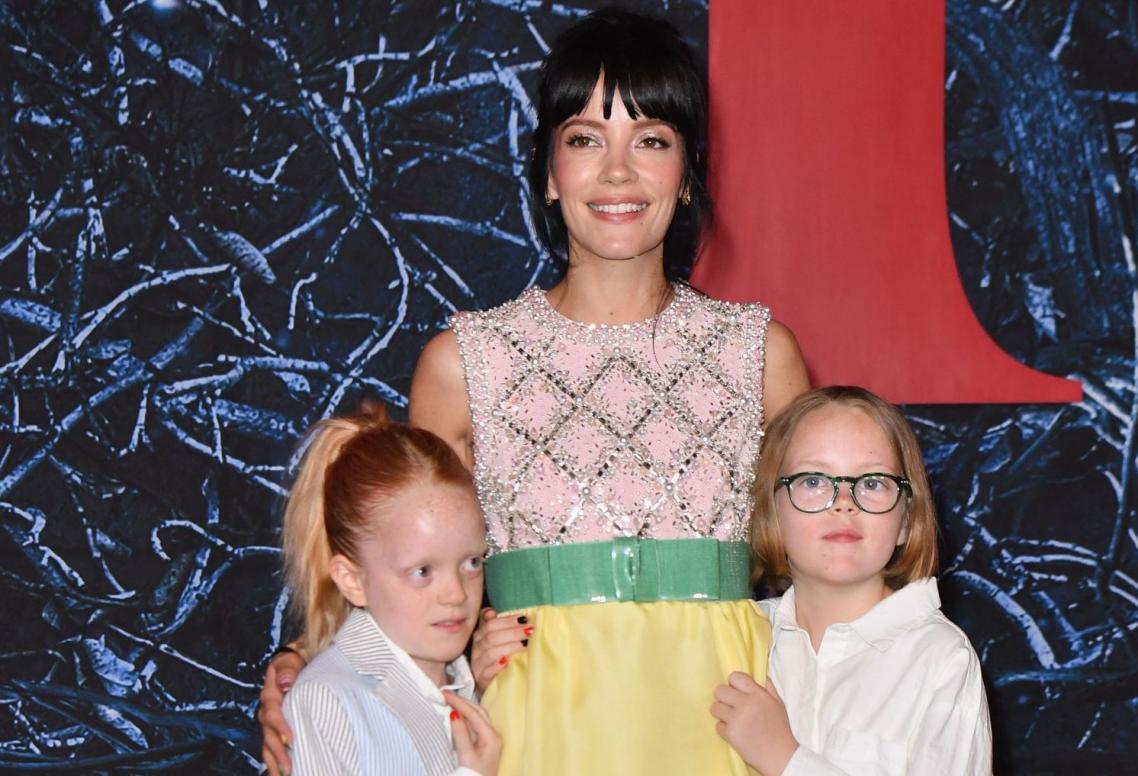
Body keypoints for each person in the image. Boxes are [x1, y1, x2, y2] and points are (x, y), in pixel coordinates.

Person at [260, 8, 809, 775]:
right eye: (585, 140)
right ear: (550, 173)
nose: (616, 173)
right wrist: (311, 663)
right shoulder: (464, 363)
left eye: (650, 140)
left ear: (686, 174)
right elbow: (405, 562)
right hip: (535, 731)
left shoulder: (762, 355)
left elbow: (828, 571)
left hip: (725, 728)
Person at [710, 386, 993, 775]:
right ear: (770, 511)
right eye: (812, 481)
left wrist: (785, 759)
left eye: (873, 483)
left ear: (907, 521)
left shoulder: (939, 658)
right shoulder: (736, 639)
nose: (844, 501)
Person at [277, 402, 501, 775]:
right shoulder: (326, 699)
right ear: (351, 580)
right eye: (423, 571)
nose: (457, 594)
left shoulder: (474, 682)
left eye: (472, 562)